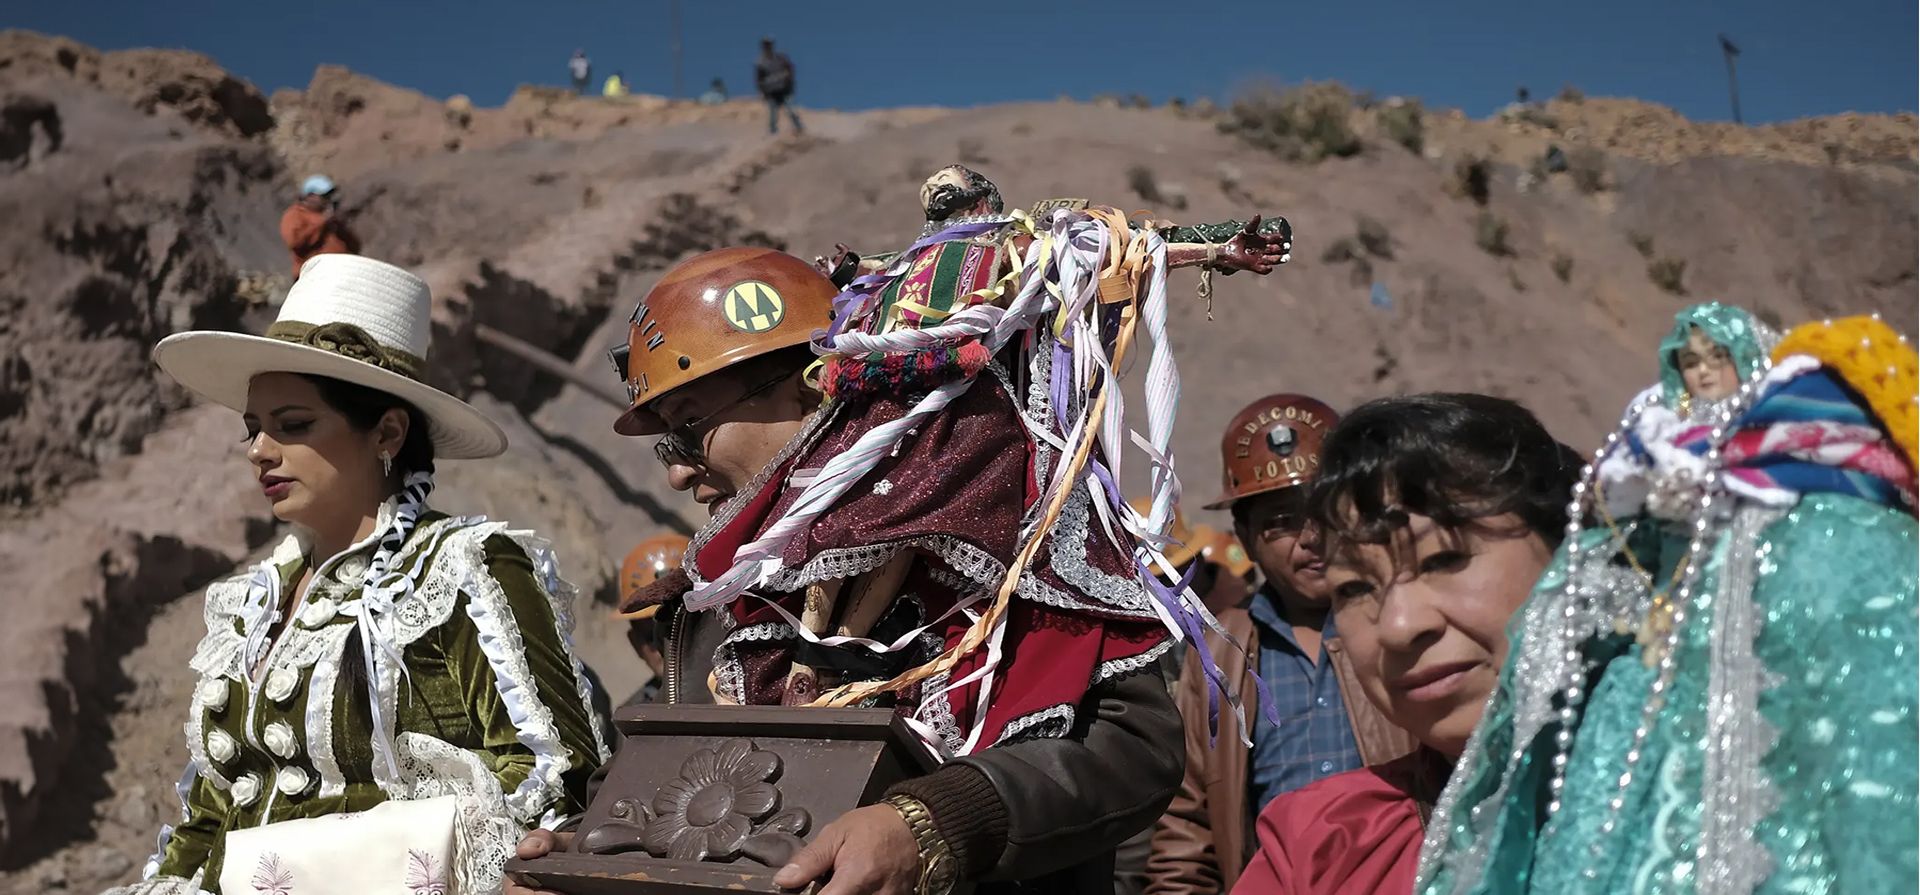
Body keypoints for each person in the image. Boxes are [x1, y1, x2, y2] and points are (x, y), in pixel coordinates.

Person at [112, 254, 609, 895]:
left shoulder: (463, 570)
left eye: (293, 425)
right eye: (254, 428)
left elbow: (555, 778)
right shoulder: (249, 605)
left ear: (387, 433)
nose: (261, 450)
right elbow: (211, 813)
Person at [1417, 314, 1918, 894]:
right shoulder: (1648, 449)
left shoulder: (1827, 515)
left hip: (1763, 721)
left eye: (1716, 357)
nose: (1704, 373)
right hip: (1639, 707)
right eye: (1691, 361)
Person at [1230, 393, 1579, 895]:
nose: (1397, 626)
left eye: (1442, 560)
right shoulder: (1320, 849)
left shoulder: (1716, 785)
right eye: (1353, 588)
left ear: (1571, 558)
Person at [1146, 394, 1417, 895]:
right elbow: (1187, 835)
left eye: (1324, 511)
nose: (1310, 537)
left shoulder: (1411, 626)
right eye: (1280, 522)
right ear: (1246, 540)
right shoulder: (1217, 657)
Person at [610, 533, 690, 706]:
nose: (667, 648)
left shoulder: (751, 692)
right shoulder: (632, 722)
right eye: (651, 638)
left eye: (676, 632)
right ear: (635, 643)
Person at [278, 175, 360, 280]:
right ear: (310, 196)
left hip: (340, 271)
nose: (328, 200)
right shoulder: (295, 215)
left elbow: (353, 245)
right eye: (324, 196)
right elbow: (294, 241)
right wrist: (322, 222)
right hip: (313, 275)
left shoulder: (329, 217)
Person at [755, 37, 802, 135]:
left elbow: (790, 69)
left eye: (769, 44)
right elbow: (759, 80)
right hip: (772, 93)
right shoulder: (761, 63)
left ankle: (800, 130)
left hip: (784, 90)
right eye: (766, 45)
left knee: (791, 110)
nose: (768, 47)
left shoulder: (780, 58)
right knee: (773, 115)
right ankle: (773, 134)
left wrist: (789, 83)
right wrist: (763, 93)